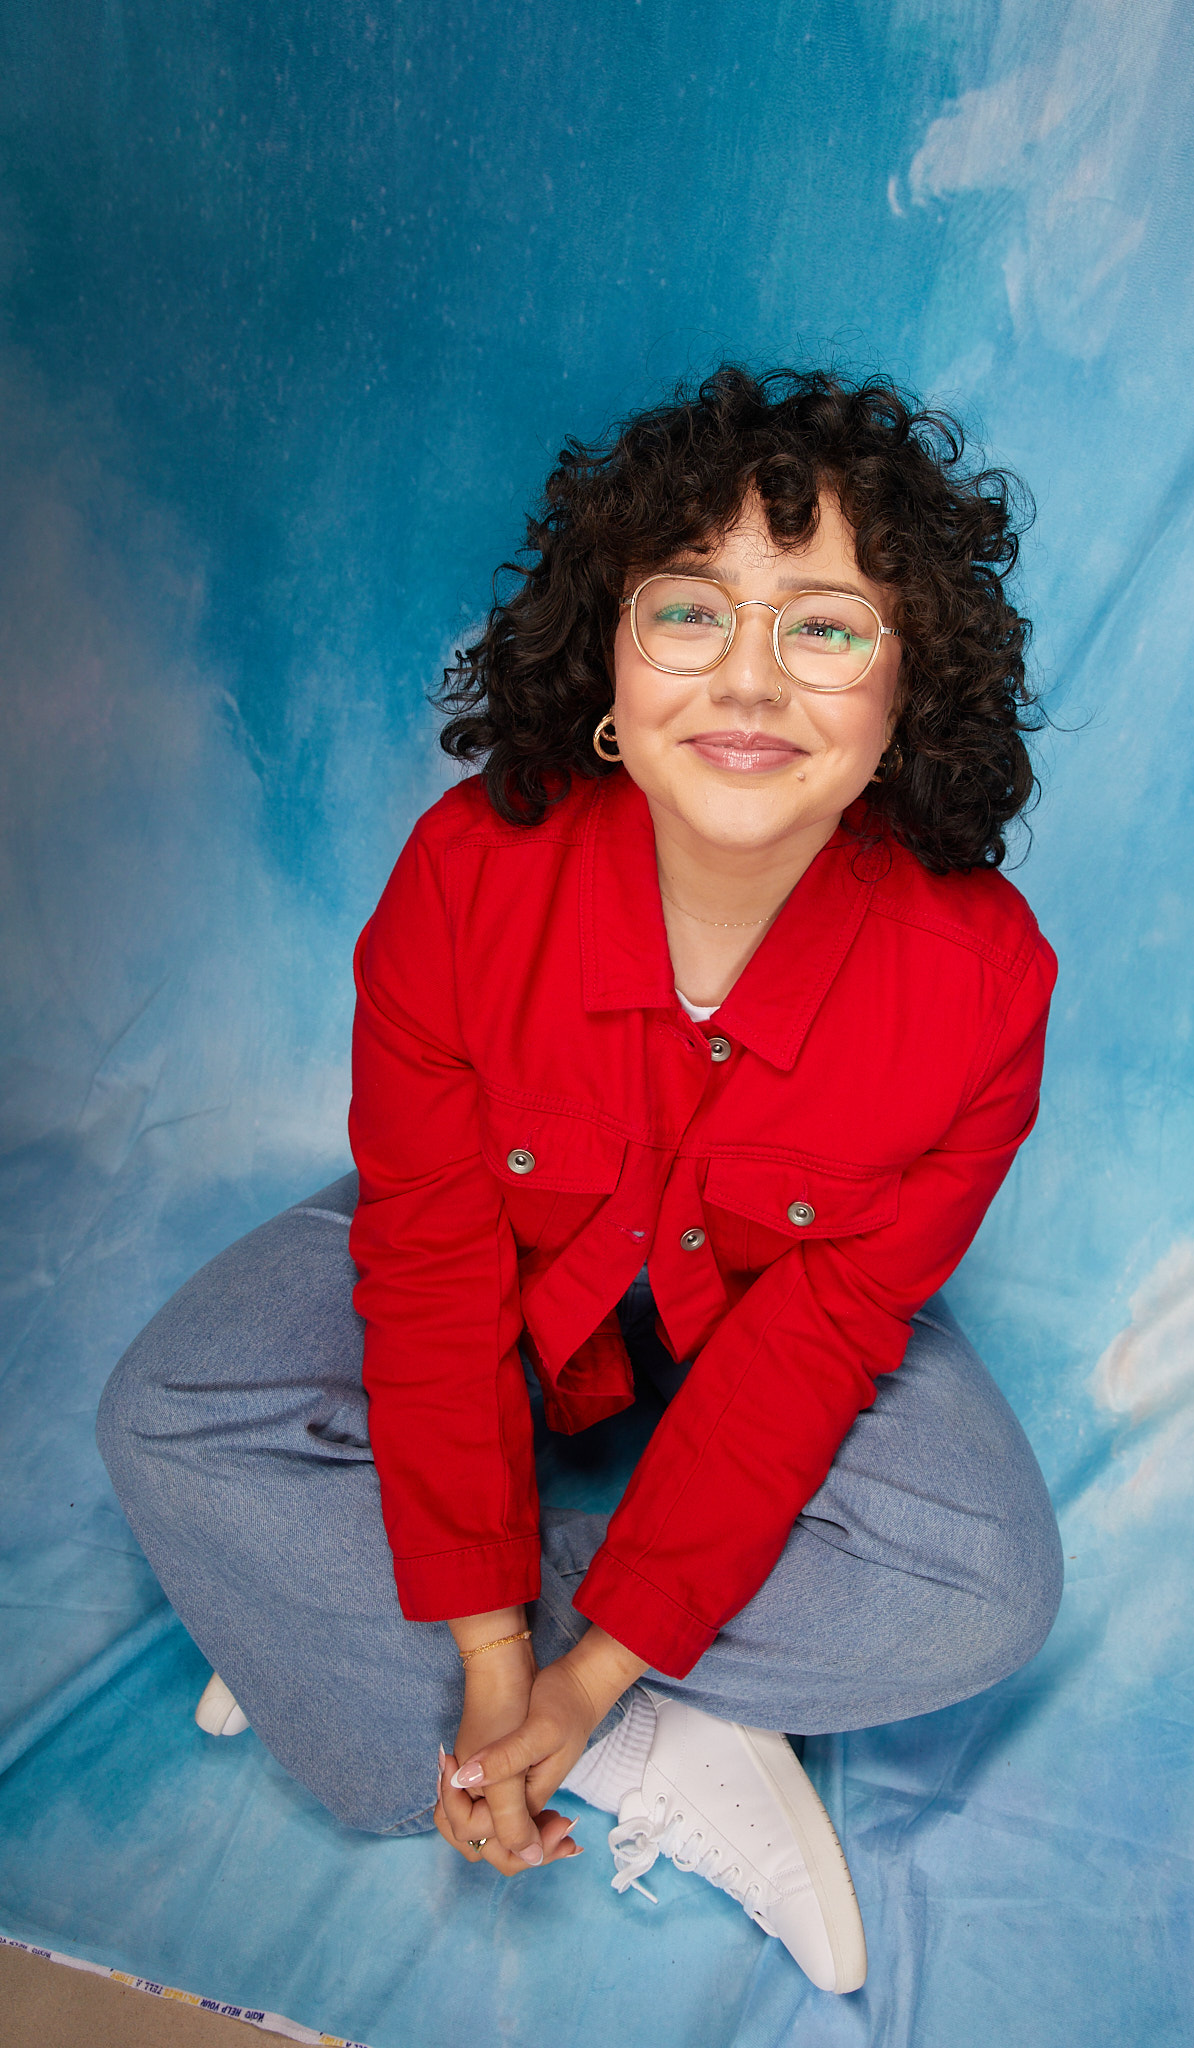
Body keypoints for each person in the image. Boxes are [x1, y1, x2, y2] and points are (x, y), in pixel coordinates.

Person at [98, 366, 1063, 1996]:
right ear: (608, 661)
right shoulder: (467, 874)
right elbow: (429, 1268)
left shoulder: (982, 982)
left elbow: (818, 1341)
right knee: (170, 1414)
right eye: (689, 612)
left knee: (984, 1591)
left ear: (905, 695)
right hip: (494, 1271)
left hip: (746, 1332)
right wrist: (492, 1658)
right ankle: (583, 1702)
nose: (747, 678)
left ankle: (337, 1615)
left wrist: (592, 1667)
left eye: (825, 629)